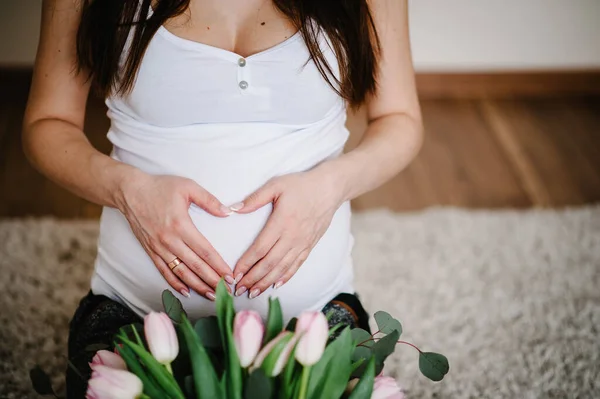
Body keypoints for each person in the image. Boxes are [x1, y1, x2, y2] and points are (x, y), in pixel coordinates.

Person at [23, 0, 422, 395]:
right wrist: (128, 190)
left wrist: (332, 185)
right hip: (135, 316)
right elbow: (47, 123)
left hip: (317, 319)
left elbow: (399, 119)